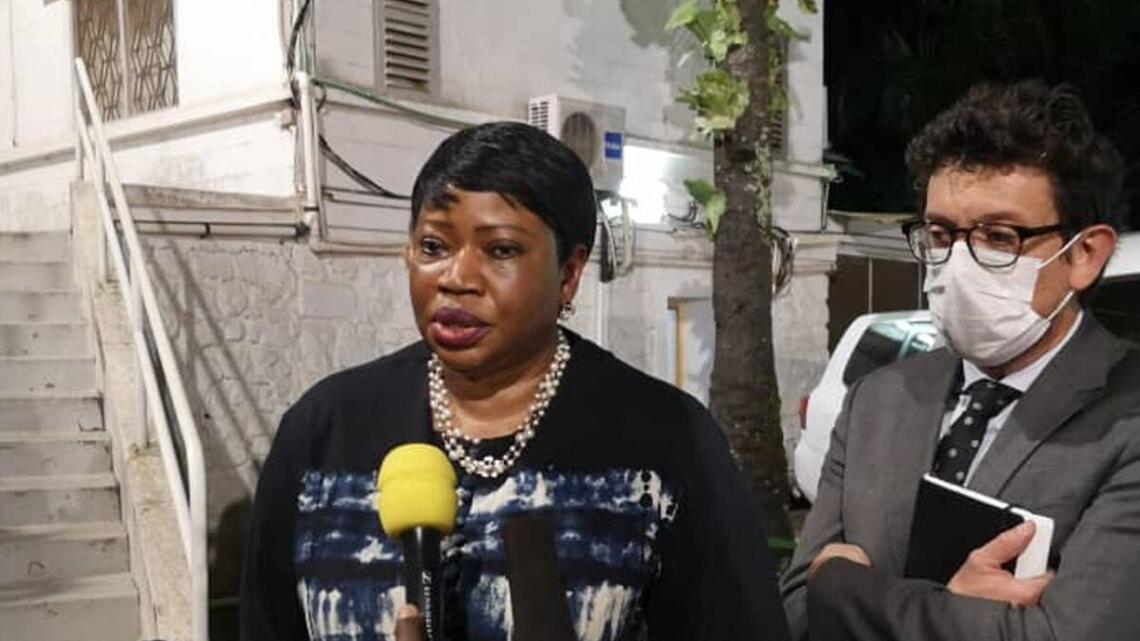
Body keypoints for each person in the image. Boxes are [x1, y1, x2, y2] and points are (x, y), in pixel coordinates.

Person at [241, 121, 791, 641]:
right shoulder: (324, 430)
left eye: (501, 250)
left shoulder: (668, 440)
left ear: (569, 274)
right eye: (434, 247)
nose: (457, 278)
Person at [780, 80, 1140, 641]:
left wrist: (845, 587)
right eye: (941, 233)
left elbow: (1063, 636)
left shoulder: (1127, 419)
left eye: (999, 237)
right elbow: (798, 609)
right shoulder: (879, 398)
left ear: (1086, 254)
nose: (957, 264)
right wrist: (953, 612)